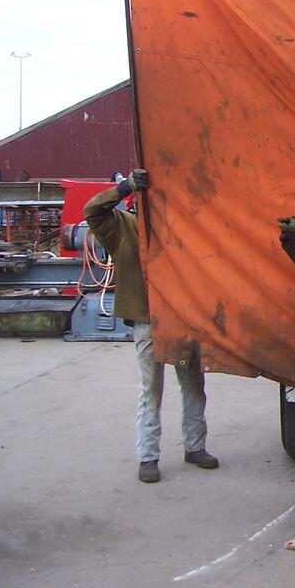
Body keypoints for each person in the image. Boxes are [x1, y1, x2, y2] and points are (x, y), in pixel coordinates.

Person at [84, 169, 219, 483]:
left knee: (193, 385)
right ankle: (148, 456)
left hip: (181, 319)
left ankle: (195, 446)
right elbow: (92, 210)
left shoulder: (179, 229)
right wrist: (123, 188)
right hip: (147, 321)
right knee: (151, 391)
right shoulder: (123, 227)